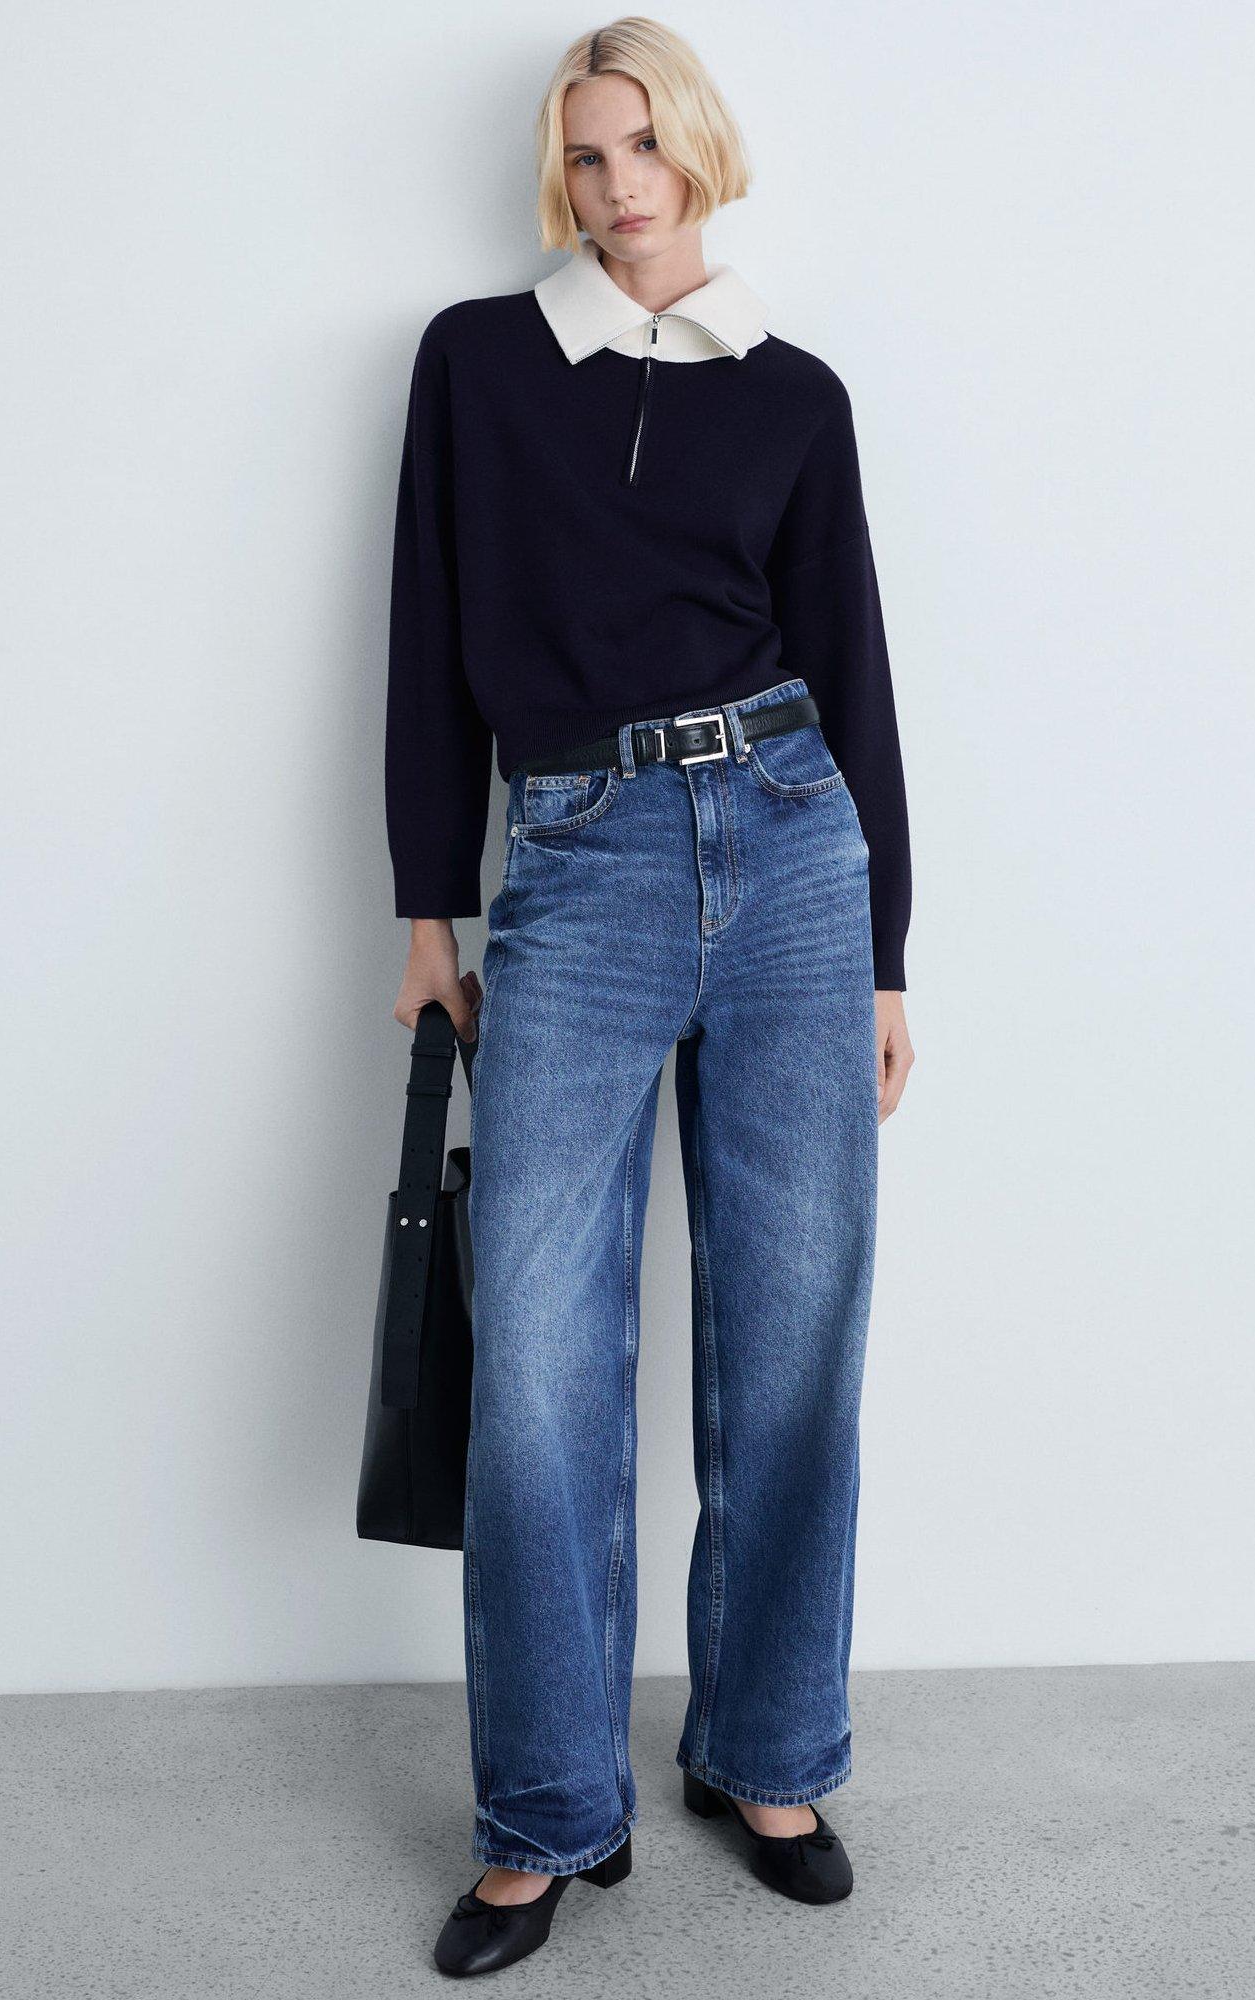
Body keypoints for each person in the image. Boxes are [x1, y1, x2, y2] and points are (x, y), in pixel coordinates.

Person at [385, 16, 916, 1978]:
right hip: (583, 863)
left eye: (645, 147)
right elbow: (426, 638)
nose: (620, 187)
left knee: (793, 1337)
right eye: (587, 154)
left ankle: (766, 1758)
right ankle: (545, 1813)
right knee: (538, 1357)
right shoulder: (475, 363)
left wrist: (885, 947)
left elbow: (853, 669)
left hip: (791, 845)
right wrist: (429, 908)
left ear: (699, 148)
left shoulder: (796, 394)